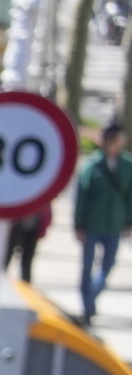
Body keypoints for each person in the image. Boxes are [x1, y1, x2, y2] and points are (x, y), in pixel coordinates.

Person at [76, 121, 132, 321]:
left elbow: (130, 196)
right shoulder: (92, 165)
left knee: (108, 265)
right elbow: (82, 196)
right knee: (87, 265)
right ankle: (87, 307)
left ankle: (90, 297)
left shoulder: (127, 165)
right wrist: (78, 224)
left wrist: (129, 221)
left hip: (114, 224)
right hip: (92, 223)